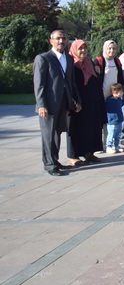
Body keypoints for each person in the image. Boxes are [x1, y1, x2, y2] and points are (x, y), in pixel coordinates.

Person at [33, 30, 82, 176]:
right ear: (51, 41)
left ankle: (55, 160)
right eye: (58, 38)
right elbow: (39, 84)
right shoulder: (43, 58)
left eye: (64, 38)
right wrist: (41, 104)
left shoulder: (68, 58)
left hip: (64, 103)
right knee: (48, 135)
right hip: (49, 104)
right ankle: (49, 165)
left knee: (57, 133)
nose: (61, 41)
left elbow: (71, 82)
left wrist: (76, 101)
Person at [65, 39, 103, 166]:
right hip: (78, 102)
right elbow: (71, 84)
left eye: (85, 48)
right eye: (80, 48)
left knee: (90, 127)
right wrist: (75, 101)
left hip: (92, 101)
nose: (83, 51)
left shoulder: (89, 62)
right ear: (74, 49)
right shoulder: (71, 63)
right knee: (75, 128)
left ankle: (88, 153)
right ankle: (73, 156)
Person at [94, 39, 124, 147]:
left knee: (112, 120)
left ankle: (110, 143)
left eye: (114, 49)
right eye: (109, 48)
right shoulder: (99, 61)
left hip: (114, 96)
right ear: (105, 49)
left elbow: (121, 78)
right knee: (101, 120)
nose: (112, 51)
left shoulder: (117, 62)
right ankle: (100, 144)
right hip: (102, 94)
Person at [105, 83, 124, 154]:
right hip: (112, 121)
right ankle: (109, 146)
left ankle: (116, 146)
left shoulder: (119, 99)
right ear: (116, 92)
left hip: (119, 120)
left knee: (118, 134)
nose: (122, 93)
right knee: (111, 134)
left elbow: (121, 104)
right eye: (121, 92)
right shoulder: (108, 100)